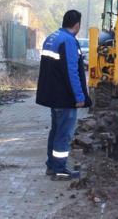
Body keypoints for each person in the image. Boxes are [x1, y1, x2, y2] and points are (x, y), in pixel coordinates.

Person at [36, 10, 92, 181]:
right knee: (64, 134)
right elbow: (71, 72)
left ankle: (52, 166)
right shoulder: (68, 41)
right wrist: (79, 97)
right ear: (77, 25)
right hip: (65, 97)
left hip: (54, 96)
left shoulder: (52, 37)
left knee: (55, 131)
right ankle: (60, 170)